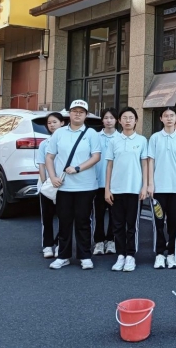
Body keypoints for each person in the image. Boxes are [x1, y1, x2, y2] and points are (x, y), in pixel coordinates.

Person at [46, 100, 102, 270]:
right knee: (64, 221)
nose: (77, 114)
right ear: (69, 114)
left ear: (86, 115)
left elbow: (96, 157)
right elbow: (49, 157)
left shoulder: (91, 133)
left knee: (83, 221)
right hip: (63, 186)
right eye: (74, 111)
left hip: (86, 186)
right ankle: (63, 255)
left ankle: (85, 256)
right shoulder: (59, 133)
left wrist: (78, 168)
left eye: (81, 112)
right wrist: (53, 177)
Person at [104, 107, 147, 272]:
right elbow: (109, 166)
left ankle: (130, 255)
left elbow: (144, 164)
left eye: (131, 117)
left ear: (136, 121)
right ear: (119, 121)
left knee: (132, 225)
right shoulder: (114, 140)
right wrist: (107, 189)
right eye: (124, 117)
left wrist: (144, 186)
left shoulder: (142, 140)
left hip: (134, 189)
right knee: (117, 225)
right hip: (116, 189)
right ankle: (120, 255)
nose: (128, 120)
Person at [147, 107, 176, 270]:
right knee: (158, 222)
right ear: (161, 119)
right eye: (166, 116)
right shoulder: (155, 138)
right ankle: (159, 254)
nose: (169, 118)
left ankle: (171, 254)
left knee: (173, 223)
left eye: (172, 116)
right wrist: (151, 184)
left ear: (175, 118)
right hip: (158, 188)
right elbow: (151, 161)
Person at [37, 112, 64, 259]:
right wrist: (46, 182)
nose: (52, 125)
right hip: (47, 186)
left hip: (64, 185)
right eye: (49, 123)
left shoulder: (67, 143)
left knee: (63, 217)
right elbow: (41, 165)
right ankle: (48, 245)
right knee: (46, 218)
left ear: (62, 123)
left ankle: (60, 244)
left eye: (55, 122)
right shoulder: (44, 144)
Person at [93, 108, 120, 256]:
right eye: (106, 117)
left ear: (117, 120)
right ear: (102, 120)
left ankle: (111, 240)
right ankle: (98, 241)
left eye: (112, 117)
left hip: (115, 184)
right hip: (97, 183)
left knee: (114, 214)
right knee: (98, 214)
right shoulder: (95, 137)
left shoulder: (120, 138)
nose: (109, 120)